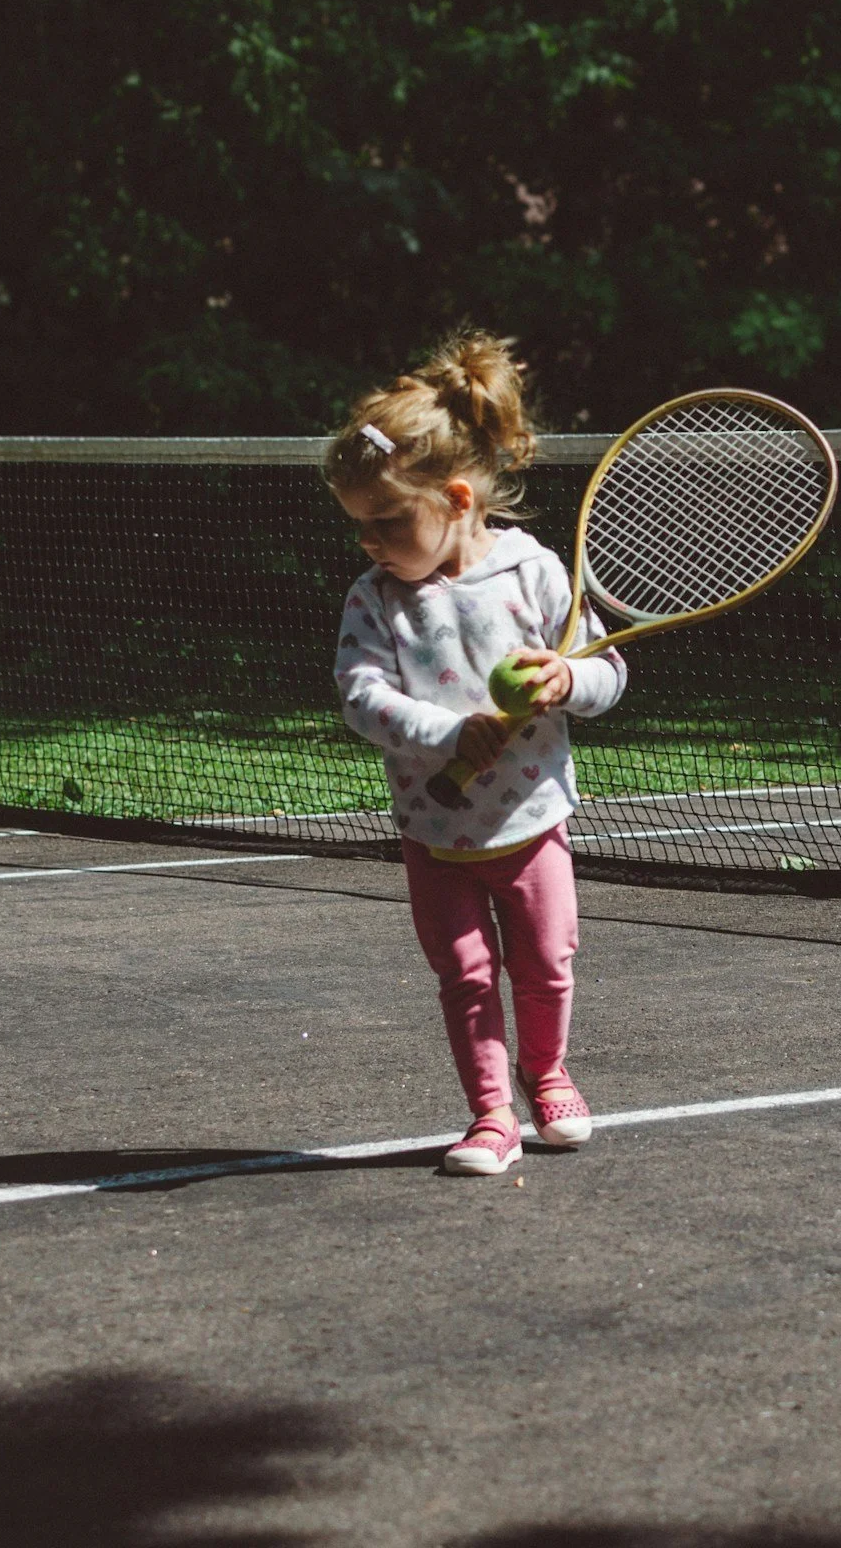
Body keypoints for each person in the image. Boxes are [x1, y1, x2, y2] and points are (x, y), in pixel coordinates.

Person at [325, 330, 626, 1176]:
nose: (371, 543)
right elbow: (361, 698)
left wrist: (568, 680)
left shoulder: (532, 574)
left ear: (456, 498)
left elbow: (607, 671)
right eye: (359, 528)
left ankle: (548, 1073)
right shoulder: (374, 599)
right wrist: (449, 734)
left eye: (387, 522)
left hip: (532, 823)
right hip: (435, 832)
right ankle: (491, 1115)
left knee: (547, 964)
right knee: (465, 977)